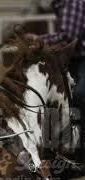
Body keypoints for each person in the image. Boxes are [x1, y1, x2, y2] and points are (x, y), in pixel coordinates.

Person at [25, 0, 85, 162]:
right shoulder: (63, 4)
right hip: (76, 58)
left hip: (81, 59)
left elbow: (68, 36)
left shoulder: (72, 3)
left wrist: (38, 39)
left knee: (79, 95)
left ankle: (80, 149)